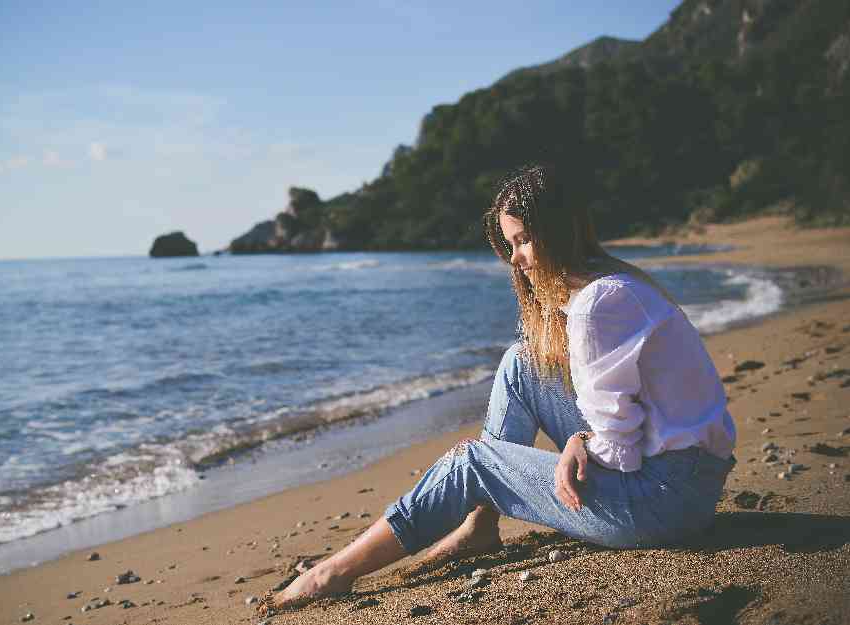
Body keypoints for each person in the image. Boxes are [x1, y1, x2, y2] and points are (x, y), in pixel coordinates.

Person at [261, 163, 737, 615]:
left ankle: (334, 571)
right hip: (685, 481)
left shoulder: (598, 305)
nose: (515, 257)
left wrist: (582, 441)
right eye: (512, 242)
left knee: (472, 463)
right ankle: (480, 525)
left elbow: (621, 451)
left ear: (558, 232)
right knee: (519, 363)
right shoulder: (616, 285)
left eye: (524, 240)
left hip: (662, 502)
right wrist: (587, 441)